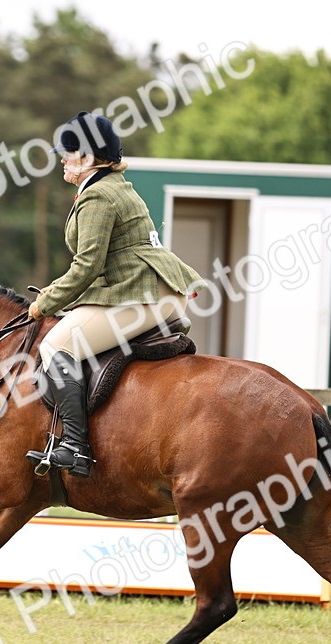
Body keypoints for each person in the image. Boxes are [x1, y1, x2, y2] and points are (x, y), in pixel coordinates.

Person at [25, 111, 204, 478]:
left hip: (142, 296)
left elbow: (87, 266)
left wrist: (46, 301)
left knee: (56, 346)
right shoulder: (112, 186)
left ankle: (76, 446)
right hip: (147, 290)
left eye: (68, 152)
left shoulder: (99, 197)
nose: (62, 158)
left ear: (88, 158)